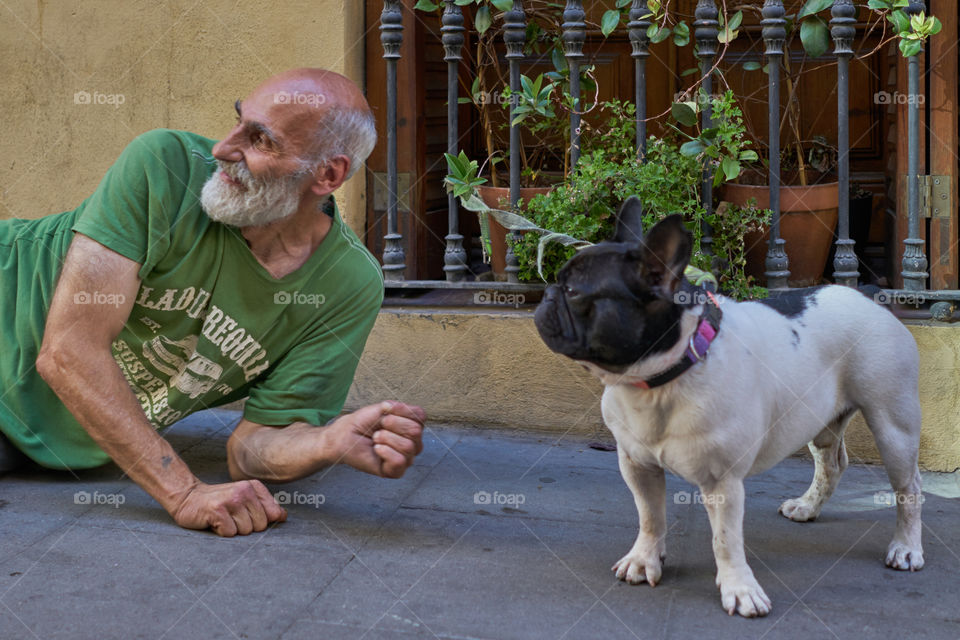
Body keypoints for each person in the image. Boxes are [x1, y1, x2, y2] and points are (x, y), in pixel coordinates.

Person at [0, 68, 425, 537]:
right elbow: (68, 351)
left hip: (42, 437)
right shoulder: (165, 166)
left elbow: (251, 449)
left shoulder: (348, 285)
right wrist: (183, 492)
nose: (223, 148)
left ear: (328, 174)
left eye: (260, 140)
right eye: (239, 120)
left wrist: (327, 440)